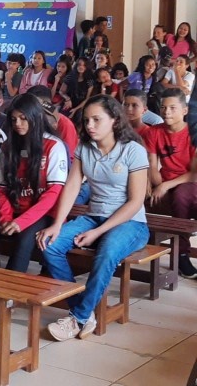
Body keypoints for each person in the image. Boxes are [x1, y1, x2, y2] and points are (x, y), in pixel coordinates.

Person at [38, 95, 149, 342]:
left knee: (107, 252)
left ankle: (76, 318)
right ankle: (85, 311)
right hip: (94, 217)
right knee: (50, 244)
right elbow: (73, 185)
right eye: (87, 120)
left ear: (114, 120)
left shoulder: (133, 150)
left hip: (131, 223)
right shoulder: (84, 148)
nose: (90, 125)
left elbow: (135, 203)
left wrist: (98, 233)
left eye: (97, 119)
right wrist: (58, 224)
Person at [0, 95, 66, 335]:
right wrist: (7, 219)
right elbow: (2, 190)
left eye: (23, 118)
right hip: (13, 211)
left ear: (35, 118)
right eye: (14, 118)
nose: (18, 123)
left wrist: (20, 223)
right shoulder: (9, 146)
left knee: (24, 241)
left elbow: (52, 195)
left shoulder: (53, 146)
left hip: (41, 213)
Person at [142, 88, 197, 278]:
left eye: (173, 108)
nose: (166, 112)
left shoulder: (193, 132)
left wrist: (165, 186)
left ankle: (182, 252)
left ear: (184, 110)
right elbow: (151, 163)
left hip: (188, 180)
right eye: (164, 108)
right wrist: (157, 183)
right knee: (139, 195)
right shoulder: (154, 132)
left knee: (181, 196)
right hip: (165, 179)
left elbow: (193, 175)